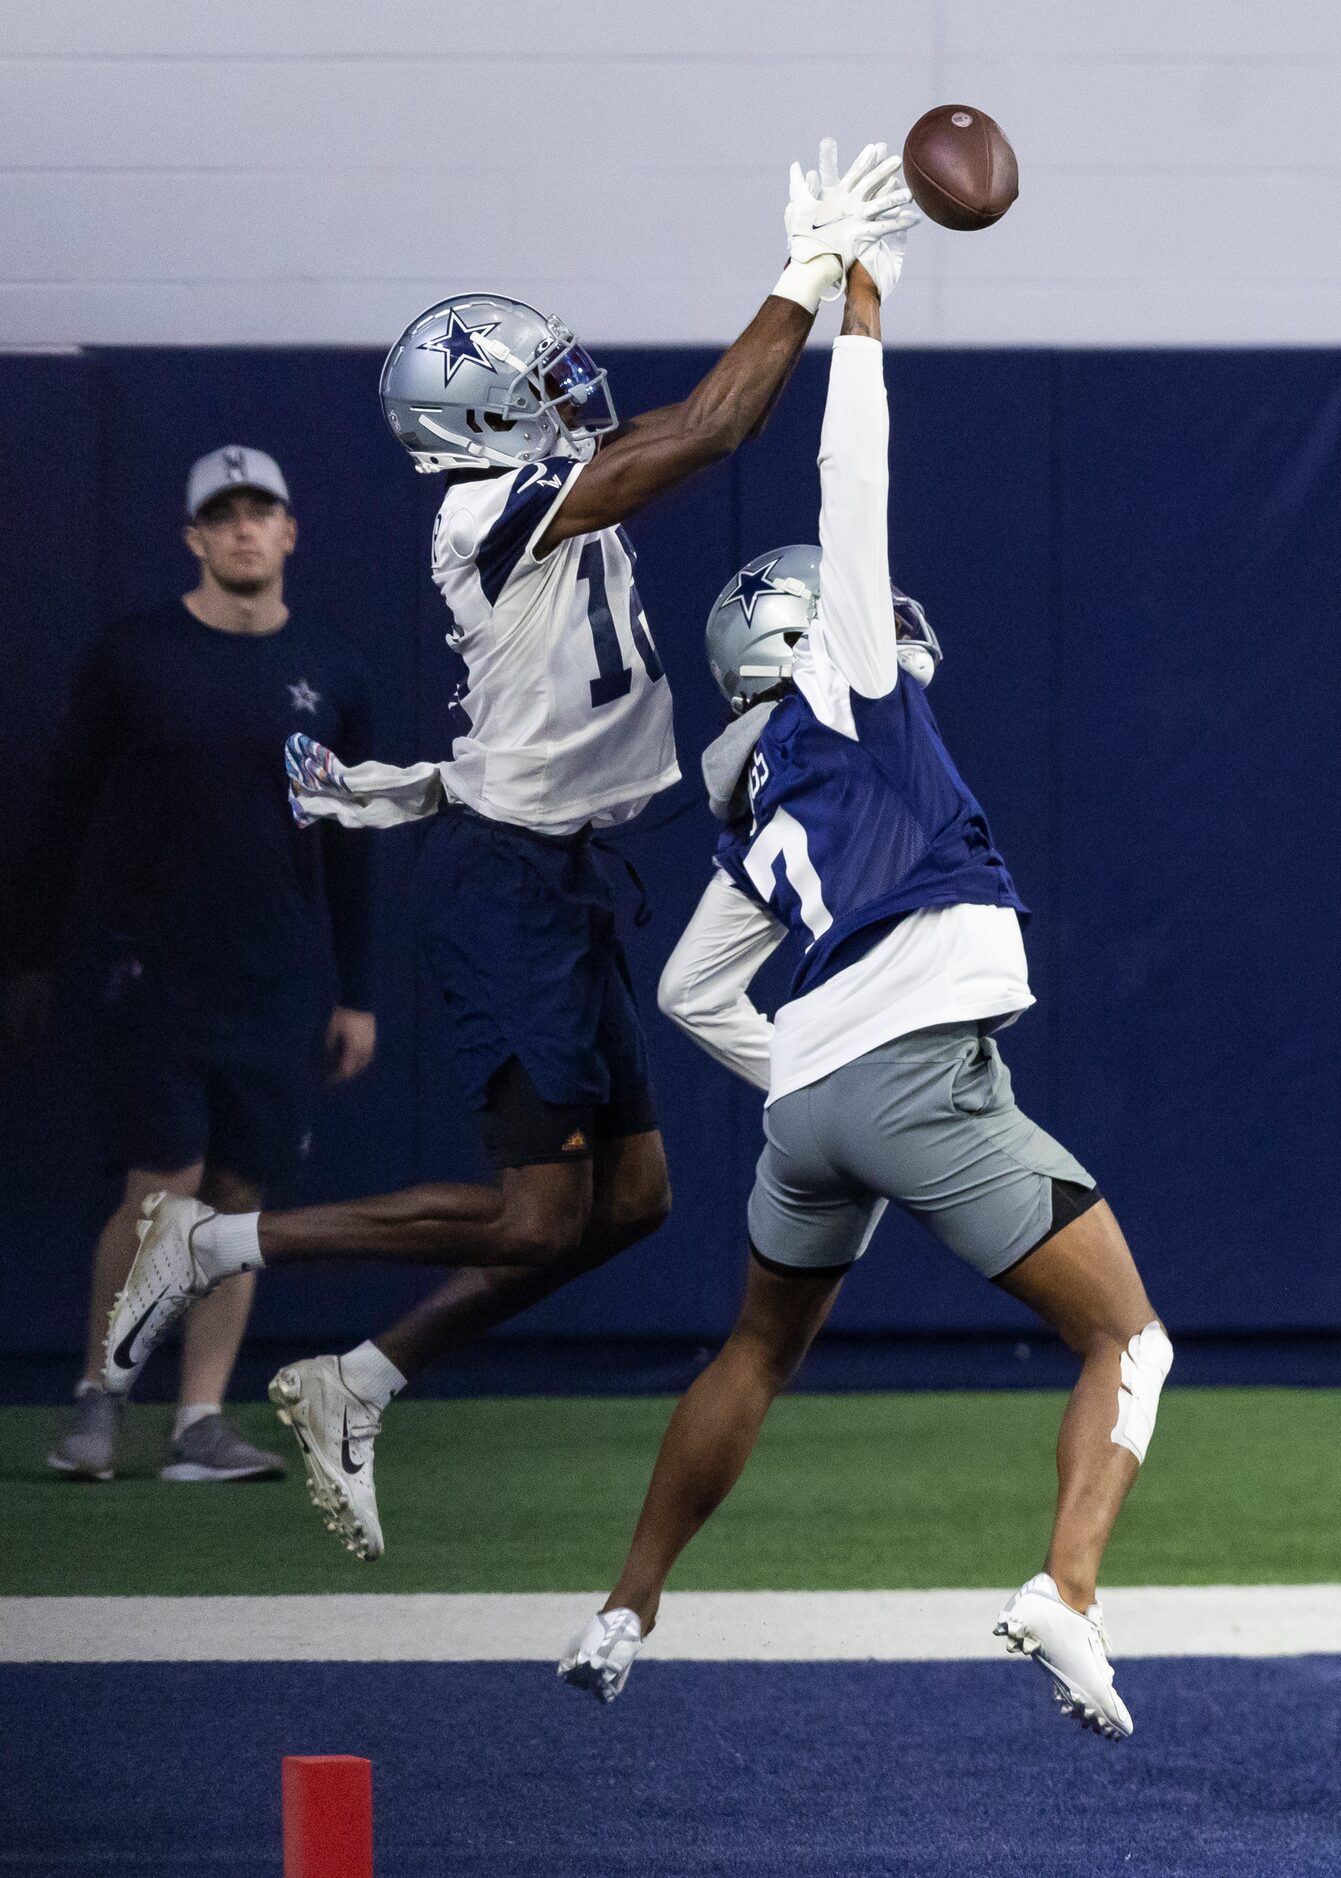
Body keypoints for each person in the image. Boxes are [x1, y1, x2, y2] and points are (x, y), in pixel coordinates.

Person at [99, 143, 917, 1557]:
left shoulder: (547, 490)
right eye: (535, 384)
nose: (565, 390)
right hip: (507, 893)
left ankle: (358, 1377)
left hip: (564, 870)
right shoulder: (488, 510)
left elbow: (686, 425)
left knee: (631, 1204)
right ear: (478, 415)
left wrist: (834, 295)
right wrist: (806, 270)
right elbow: (711, 429)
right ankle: (221, 1243)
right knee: (540, 1220)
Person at [557, 215, 1171, 1741]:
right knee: (1131, 1339)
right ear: (805, 636)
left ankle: (623, 1605)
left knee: (756, 1349)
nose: (895, 634)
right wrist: (863, 312)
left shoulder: (759, 798)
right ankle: (1067, 1596)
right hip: (911, 1071)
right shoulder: (848, 684)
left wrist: (813, 1085)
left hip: (817, 1095)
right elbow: (856, 481)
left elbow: (697, 989)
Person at [22, 446, 377, 1483]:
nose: (242, 530)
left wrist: (354, 990)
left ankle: (199, 1424)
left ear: (289, 531)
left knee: (234, 1206)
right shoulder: (133, 658)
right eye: (221, 516)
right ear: (193, 536)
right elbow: (62, 814)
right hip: (155, 973)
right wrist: (35, 957)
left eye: (260, 512)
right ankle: (98, 1397)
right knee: (161, 1192)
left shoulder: (335, 674)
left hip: (278, 981)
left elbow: (351, 840)